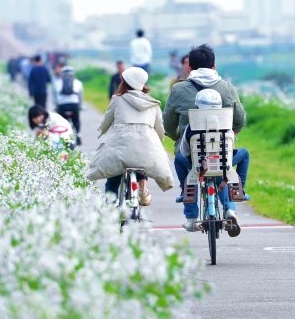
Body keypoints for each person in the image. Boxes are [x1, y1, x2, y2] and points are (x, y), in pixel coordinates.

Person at [163, 44, 247, 232]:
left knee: (183, 163)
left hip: (193, 153)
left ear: (190, 67)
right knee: (222, 171)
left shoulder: (178, 89)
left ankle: (190, 210)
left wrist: (177, 137)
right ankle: (230, 208)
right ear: (214, 66)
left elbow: (168, 122)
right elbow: (240, 119)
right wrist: (231, 134)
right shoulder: (226, 87)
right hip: (222, 149)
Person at [86, 67, 174, 205]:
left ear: (124, 83)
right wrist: (159, 140)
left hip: (120, 145)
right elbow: (160, 129)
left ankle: (110, 209)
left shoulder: (117, 100)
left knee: (113, 180)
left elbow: (106, 121)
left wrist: (102, 130)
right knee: (143, 161)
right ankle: (142, 191)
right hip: (144, 146)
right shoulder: (152, 103)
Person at [175, 89, 250, 236]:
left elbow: (184, 151)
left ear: (198, 106)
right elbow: (231, 147)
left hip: (199, 167)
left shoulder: (192, 126)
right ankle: (234, 202)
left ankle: (190, 214)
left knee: (179, 159)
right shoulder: (226, 124)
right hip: (223, 165)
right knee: (243, 155)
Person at [52, 65, 84, 144]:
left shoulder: (57, 83)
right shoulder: (78, 82)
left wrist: (56, 106)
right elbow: (80, 96)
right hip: (74, 105)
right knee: (76, 121)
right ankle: (78, 134)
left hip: (62, 106)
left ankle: (63, 137)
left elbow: (54, 97)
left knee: (62, 122)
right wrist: (80, 106)